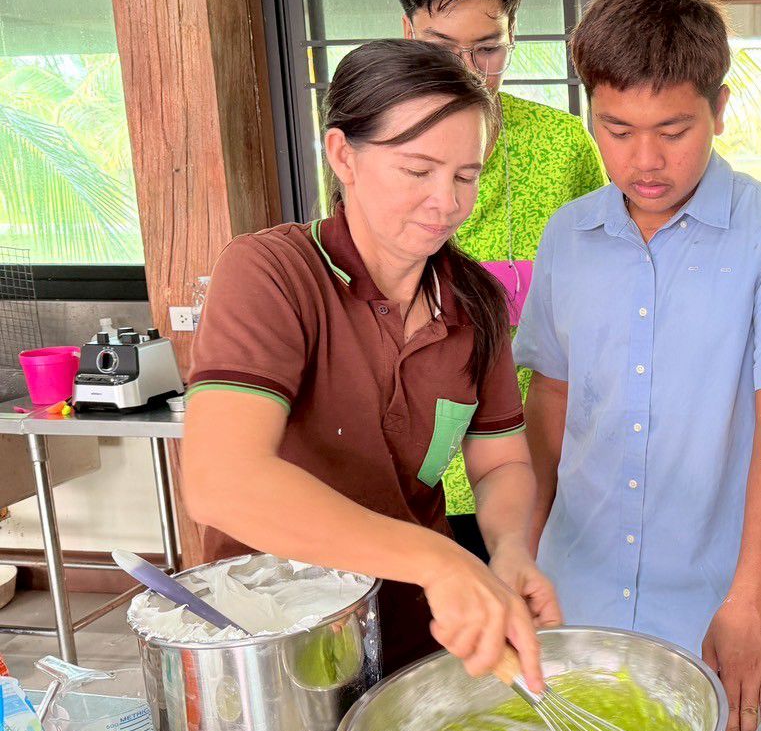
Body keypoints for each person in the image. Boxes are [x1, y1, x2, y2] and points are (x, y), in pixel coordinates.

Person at [515, 0, 761, 731]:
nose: (644, 160)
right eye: (616, 130)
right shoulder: (567, 235)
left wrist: (754, 597)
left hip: (713, 605)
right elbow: (551, 400)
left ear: (719, 110)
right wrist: (517, 557)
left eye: (673, 129)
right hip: (573, 592)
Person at [183, 39, 559, 683]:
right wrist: (439, 559)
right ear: (342, 156)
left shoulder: (476, 306)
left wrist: (509, 550)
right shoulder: (273, 274)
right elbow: (222, 482)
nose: (447, 202)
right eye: (418, 171)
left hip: (420, 636)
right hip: (277, 649)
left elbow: (500, 462)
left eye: (465, 175)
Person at [396, 0, 606, 557]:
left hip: (535, 464)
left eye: (486, 49)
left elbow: (600, 295)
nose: (464, 70)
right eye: (440, 46)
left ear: (512, 37)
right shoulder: (380, 148)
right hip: (415, 471)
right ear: (407, 32)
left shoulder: (562, 145)